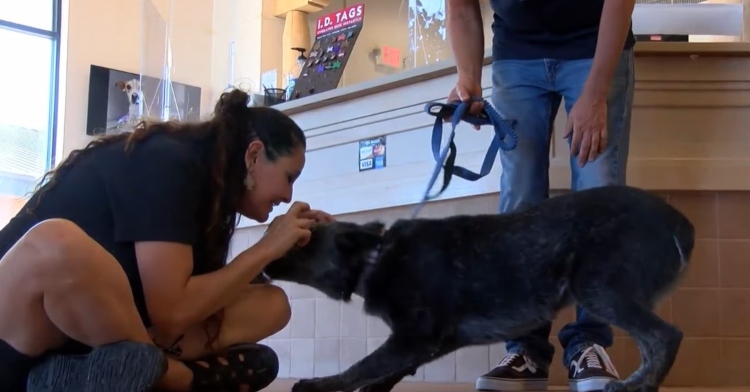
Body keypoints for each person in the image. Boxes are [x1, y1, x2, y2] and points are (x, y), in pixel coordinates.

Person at [0, 88, 331, 392]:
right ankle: (176, 378)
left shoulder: (212, 195)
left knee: (271, 305)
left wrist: (279, 252)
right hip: (23, 333)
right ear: (254, 155)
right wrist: (265, 248)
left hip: (99, 341)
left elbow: (193, 301)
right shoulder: (170, 162)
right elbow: (171, 313)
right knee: (58, 242)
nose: (288, 196)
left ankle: (102, 373)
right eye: (290, 177)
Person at [445, 1, 636, 391]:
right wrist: (468, 78)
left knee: (598, 196)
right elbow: (462, 8)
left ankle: (590, 345)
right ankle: (525, 350)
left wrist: (596, 92)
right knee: (520, 203)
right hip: (517, 55)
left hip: (593, 47)